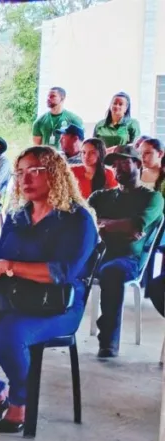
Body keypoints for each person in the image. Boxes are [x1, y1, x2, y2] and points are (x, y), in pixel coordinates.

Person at [0, 146, 97, 434]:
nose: (25, 179)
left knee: (7, 338)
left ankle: (19, 400)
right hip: (10, 295)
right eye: (20, 172)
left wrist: (9, 267)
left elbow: (61, 273)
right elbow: (0, 256)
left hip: (56, 304)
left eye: (34, 170)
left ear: (56, 173)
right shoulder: (17, 216)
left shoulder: (77, 219)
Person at [92, 146, 165, 357]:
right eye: (114, 164)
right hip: (98, 253)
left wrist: (106, 225)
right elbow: (82, 219)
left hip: (130, 259)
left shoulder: (152, 198)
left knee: (112, 272)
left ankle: (108, 341)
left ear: (138, 165)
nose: (117, 168)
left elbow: (135, 226)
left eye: (124, 162)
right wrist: (116, 226)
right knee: (67, 264)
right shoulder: (101, 196)